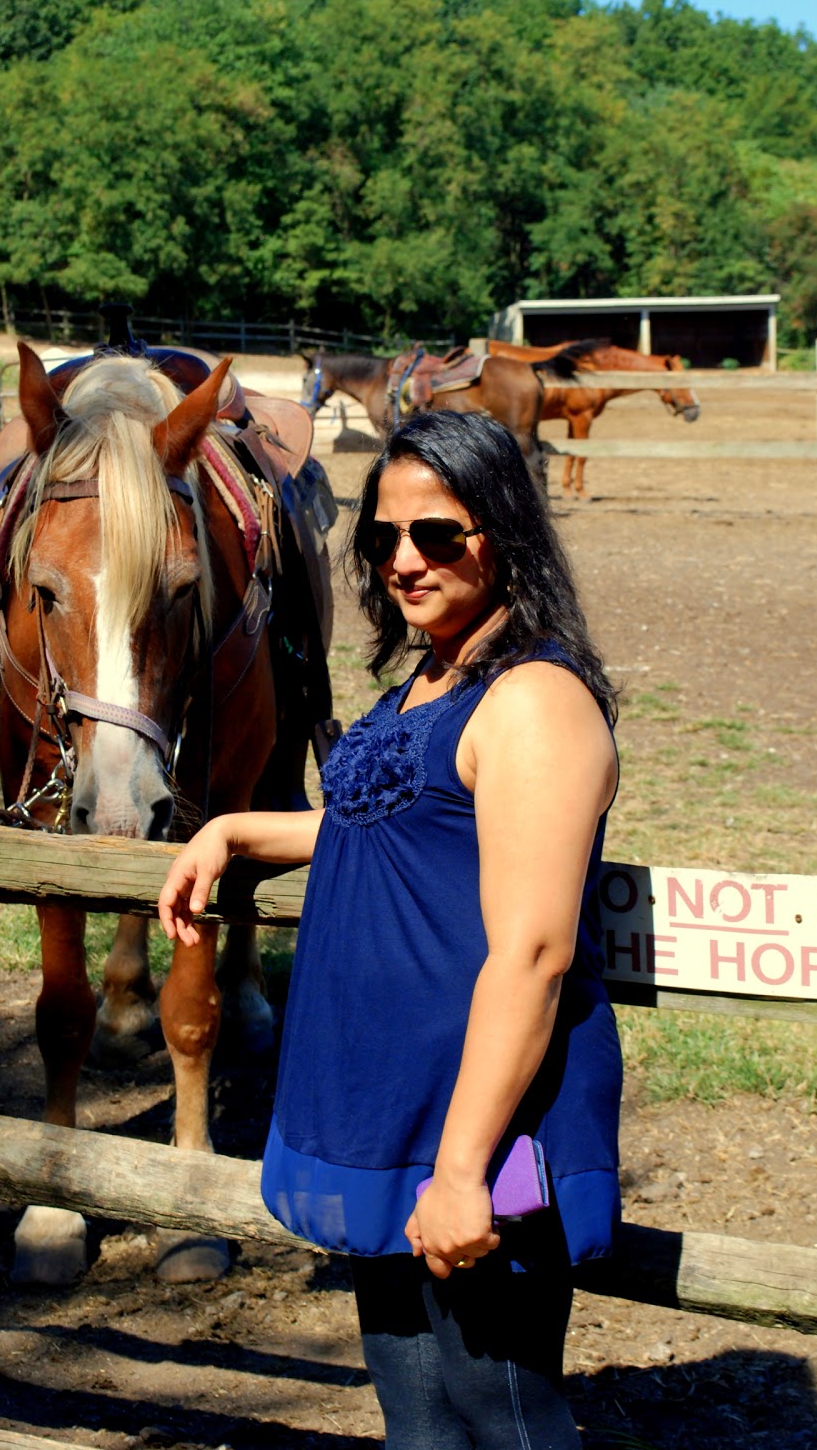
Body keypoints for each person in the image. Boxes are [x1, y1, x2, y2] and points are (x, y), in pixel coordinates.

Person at [158, 411, 622, 1449]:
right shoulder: (434, 677)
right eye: (383, 538)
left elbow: (535, 952)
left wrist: (463, 1168)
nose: (406, 560)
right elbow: (387, 825)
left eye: (438, 535)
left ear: (505, 531)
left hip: (481, 1114)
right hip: (388, 1101)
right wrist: (234, 830)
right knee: (417, 1414)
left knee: (505, 1416)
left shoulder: (535, 700)